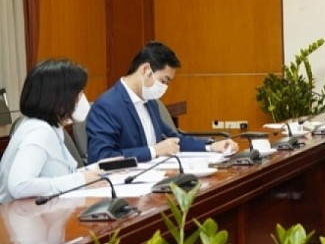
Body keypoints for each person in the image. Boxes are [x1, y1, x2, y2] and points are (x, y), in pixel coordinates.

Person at [86, 42, 237, 162]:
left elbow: (173, 139)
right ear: (145, 69)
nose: (164, 88)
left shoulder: (151, 102)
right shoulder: (107, 106)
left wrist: (211, 146)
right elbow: (102, 157)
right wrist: (154, 151)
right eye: (163, 81)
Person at [0, 59, 102, 203]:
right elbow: (19, 185)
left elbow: (55, 173)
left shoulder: (51, 127)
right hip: (22, 218)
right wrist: (80, 180)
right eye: (78, 94)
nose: (82, 99)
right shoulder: (39, 131)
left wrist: (93, 172)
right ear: (59, 98)